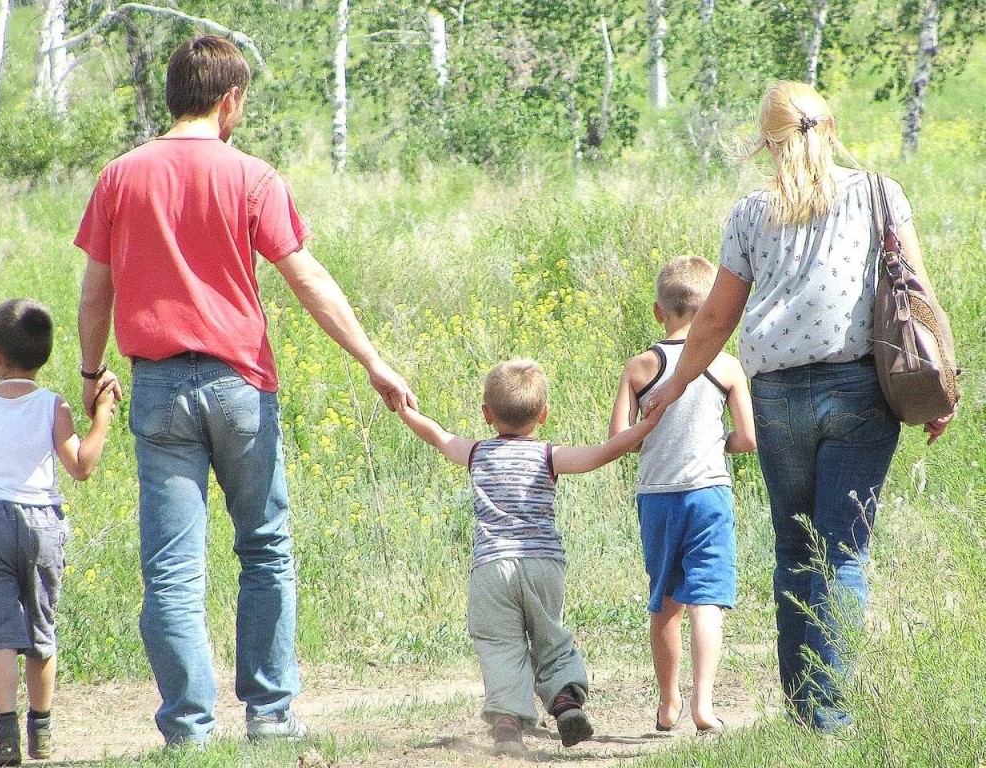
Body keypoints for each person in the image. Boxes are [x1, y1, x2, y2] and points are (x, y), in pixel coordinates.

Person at [73, 35, 415, 747]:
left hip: (157, 388)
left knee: (171, 569)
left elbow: (95, 290)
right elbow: (307, 279)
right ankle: (269, 715)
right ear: (229, 101)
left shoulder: (119, 177)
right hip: (239, 385)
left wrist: (88, 371)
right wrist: (373, 361)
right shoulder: (252, 177)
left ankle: (189, 732)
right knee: (263, 549)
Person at [638, 82, 953, 732]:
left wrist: (673, 385)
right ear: (831, 126)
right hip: (861, 390)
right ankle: (828, 718)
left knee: (795, 552)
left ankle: (801, 707)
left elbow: (717, 317)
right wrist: (938, 384)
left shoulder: (752, 213)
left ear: (767, 141)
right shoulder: (879, 193)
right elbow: (915, 294)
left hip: (777, 395)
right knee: (840, 555)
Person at [398, 358, 655, 755]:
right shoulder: (549, 456)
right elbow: (602, 453)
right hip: (542, 563)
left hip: (491, 567)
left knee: (500, 643)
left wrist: (404, 409)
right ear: (544, 413)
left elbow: (437, 436)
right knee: (550, 634)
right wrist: (647, 424)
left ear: (486, 414)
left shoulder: (476, 453)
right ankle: (565, 701)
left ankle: (506, 721)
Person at [0, 299, 116, 766]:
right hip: (41, 524)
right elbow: (81, 467)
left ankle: (6, 737)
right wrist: (103, 412)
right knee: (40, 629)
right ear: (44, 354)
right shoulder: (55, 406)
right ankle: (42, 733)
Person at [609, 256, 755, 734]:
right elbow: (748, 439)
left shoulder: (639, 366)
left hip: (657, 497)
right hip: (710, 494)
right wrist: (717, 445)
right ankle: (704, 705)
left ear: (659, 312)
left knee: (665, 601)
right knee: (707, 599)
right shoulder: (725, 365)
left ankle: (668, 701)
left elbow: (619, 438)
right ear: (712, 305)